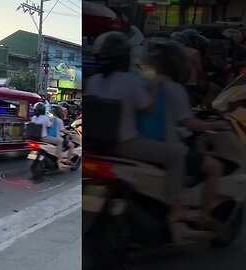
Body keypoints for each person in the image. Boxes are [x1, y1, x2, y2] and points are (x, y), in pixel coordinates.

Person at [86, 31, 189, 237]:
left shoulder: (93, 81)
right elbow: (148, 108)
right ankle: (172, 208)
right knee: (179, 154)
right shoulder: (129, 81)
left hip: (94, 147)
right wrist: (153, 82)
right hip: (126, 144)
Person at [147, 41, 229, 231]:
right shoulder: (174, 89)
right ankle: (205, 216)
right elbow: (191, 124)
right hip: (164, 146)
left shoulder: (143, 84)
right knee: (215, 167)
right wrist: (217, 124)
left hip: (140, 143)